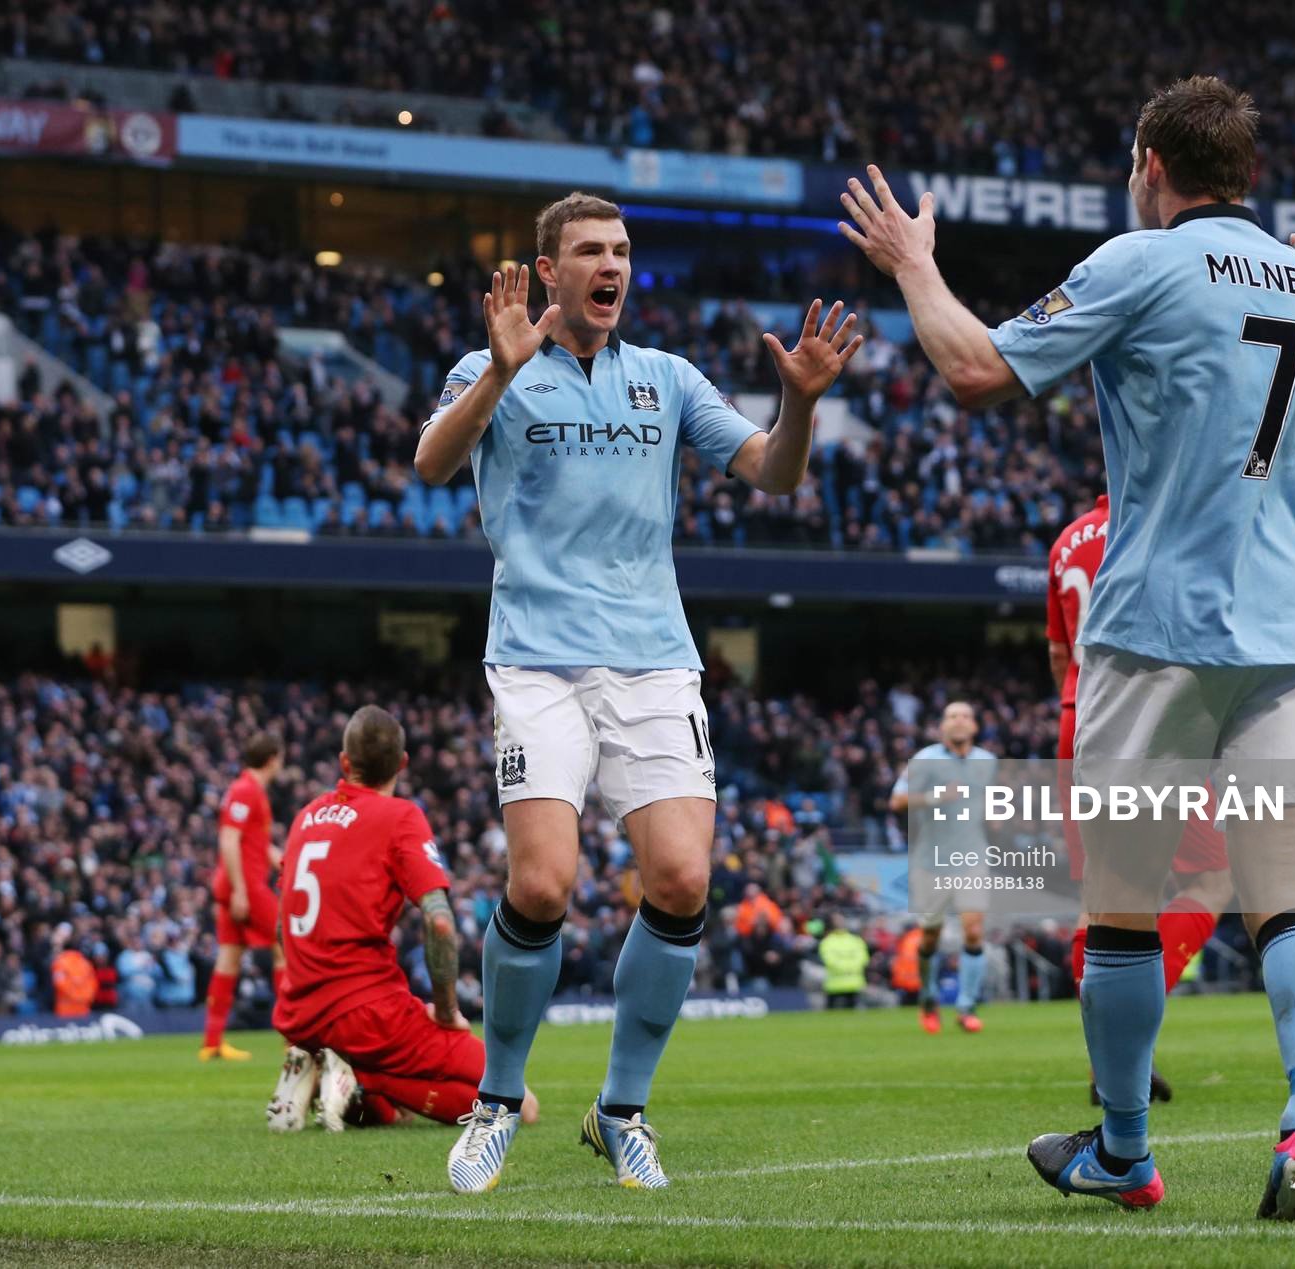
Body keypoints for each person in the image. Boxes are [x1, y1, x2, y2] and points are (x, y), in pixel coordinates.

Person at [840, 75, 1295, 1221]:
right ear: (1248, 175)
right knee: (1285, 894)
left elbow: (977, 371)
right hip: (1293, 629)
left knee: (1121, 906)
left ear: (1149, 165)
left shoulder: (1141, 261)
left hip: (1158, 631)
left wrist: (913, 267)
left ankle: (1126, 1151)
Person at [416, 191, 864, 1192]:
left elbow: (774, 474)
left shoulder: (667, 377)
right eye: (589, 251)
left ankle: (620, 1111)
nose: (611, 265)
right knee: (541, 886)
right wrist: (501, 370)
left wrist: (797, 402)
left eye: (620, 250)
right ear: (549, 271)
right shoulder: (492, 366)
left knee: (682, 880)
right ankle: (497, 1100)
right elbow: (433, 460)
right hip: (536, 658)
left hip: (655, 659)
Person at [1050, 493, 1237, 1103]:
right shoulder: (1165, 522)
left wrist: (1081, 707)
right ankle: (1128, 1036)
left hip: (1081, 719)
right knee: (1211, 879)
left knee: (1100, 896)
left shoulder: (1068, 540)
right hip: (1156, 717)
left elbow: (1058, 652)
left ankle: (1104, 1059)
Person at [268, 706, 526, 1138]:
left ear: (344, 762)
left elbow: (282, 928)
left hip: (300, 1015)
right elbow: (440, 922)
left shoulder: (304, 818)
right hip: (368, 1014)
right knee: (515, 1097)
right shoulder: (399, 817)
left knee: (397, 1115)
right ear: (402, 764)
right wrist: (447, 1011)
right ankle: (362, 1074)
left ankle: (332, 1071)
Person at [888, 701, 995, 1033]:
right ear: (942, 726)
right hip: (931, 861)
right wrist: (935, 797)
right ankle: (928, 996)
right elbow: (896, 801)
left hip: (972, 858)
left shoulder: (988, 762)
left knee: (973, 930)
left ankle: (966, 1006)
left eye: (965, 716)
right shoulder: (924, 760)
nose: (959, 721)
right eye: (952, 716)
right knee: (930, 936)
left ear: (975, 726)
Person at [201, 733, 285, 1062]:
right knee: (285, 949)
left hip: (236, 884)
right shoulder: (246, 790)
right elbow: (229, 840)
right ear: (272, 759)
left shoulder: (248, 790)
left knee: (229, 958)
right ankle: (294, 1039)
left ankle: (212, 1043)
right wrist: (239, 889)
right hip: (246, 886)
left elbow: (256, 844)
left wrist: (287, 863)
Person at [818, 914, 870, 1009]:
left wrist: (845, 966)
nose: (840, 923)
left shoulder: (855, 940)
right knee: (833, 1015)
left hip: (853, 985)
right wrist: (850, 967)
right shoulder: (827, 941)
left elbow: (863, 958)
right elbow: (830, 961)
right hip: (835, 986)